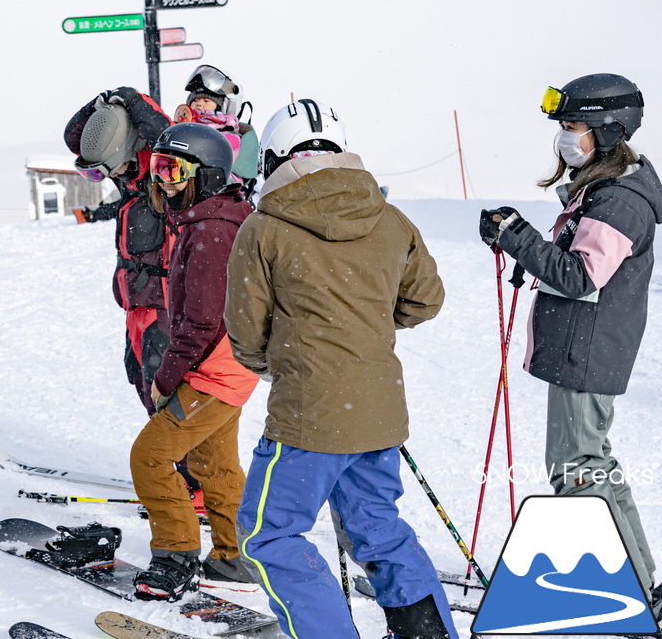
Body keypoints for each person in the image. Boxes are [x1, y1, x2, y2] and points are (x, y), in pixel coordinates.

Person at [226, 99, 455, 639]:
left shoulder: (263, 228)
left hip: (310, 415)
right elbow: (425, 300)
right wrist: (363, 328)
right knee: (378, 527)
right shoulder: (390, 218)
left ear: (276, 157)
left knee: (268, 536)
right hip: (377, 410)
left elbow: (246, 330)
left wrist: (283, 360)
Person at [480, 74, 658, 605]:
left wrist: (519, 237)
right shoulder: (608, 187)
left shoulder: (620, 200)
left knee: (576, 470)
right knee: (595, 466)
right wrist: (521, 245)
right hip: (587, 348)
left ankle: (627, 593)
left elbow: (581, 276)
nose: (565, 137)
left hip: (588, 352)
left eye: (574, 126)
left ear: (607, 130)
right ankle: (645, 584)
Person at [128, 123, 260, 601]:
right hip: (231, 366)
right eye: (158, 168)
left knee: (150, 456)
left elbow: (199, 323)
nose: (164, 181)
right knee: (216, 463)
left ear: (206, 175)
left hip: (215, 371)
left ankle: (175, 557)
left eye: (174, 169)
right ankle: (233, 556)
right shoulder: (214, 219)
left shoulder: (210, 232)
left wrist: (165, 379)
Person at [64, 88, 173, 414]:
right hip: (135, 305)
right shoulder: (127, 178)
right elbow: (75, 139)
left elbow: (166, 134)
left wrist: (132, 99)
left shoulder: (162, 175)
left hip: (164, 308)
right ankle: (162, 461)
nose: (106, 177)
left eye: (104, 170)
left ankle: (179, 464)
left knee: (166, 398)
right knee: (139, 380)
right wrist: (100, 104)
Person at [172, 65, 260, 191]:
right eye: (195, 100)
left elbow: (214, 161)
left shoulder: (229, 136)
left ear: (223, 106)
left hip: (218, 188)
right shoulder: (183, 128)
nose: (199, 103)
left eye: (206, 100)